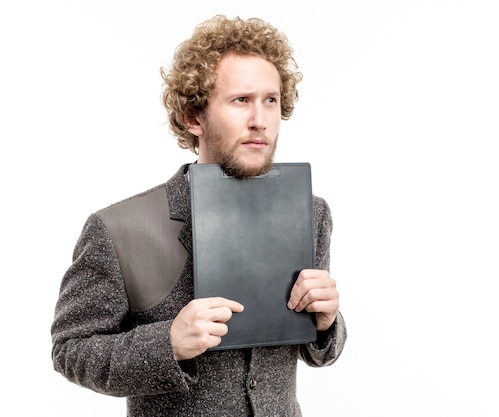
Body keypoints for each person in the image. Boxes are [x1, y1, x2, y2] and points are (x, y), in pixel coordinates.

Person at [51, 15, 347, 416]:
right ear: (194, 118)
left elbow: (317, 353)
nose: (260, 120)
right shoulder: (117, 229)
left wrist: (328, 323)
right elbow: (70, 350)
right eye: (241, 100)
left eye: (270, 100)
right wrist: (166, 343)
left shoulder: (311, 214)